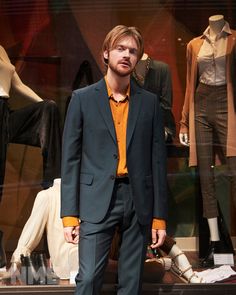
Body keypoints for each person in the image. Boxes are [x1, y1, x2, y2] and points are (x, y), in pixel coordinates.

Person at [61, 25, 168, 294]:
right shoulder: (82, 100)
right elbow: (70, 160)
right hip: (96, 198)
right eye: (120, 48)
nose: (127, 55)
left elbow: (158, 163)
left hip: (138, 198)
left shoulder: (149, 103)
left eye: (133, 51)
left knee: (131, 285)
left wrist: (159, 218)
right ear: (106, 53)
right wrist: (69, 216)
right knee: (87, 280)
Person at [179, 15, 236, 267]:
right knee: (205, 175)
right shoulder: (193, 44)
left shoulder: (234, 39)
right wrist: (184, 121)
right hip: (201, 105)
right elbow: (190, 84)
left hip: (227, 102)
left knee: (234, 172)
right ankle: (215, 242)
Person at [0, 45, 61, 201]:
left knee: (48, 109)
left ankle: (53, 183)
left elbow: (18, 85)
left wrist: (44, 103)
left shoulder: (1, 50)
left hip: (5, 111)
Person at [132, 52, 176, 142]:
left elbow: (166, 104)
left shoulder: (162, 68)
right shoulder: (126, 71)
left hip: (161, 125)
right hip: (133, 126)